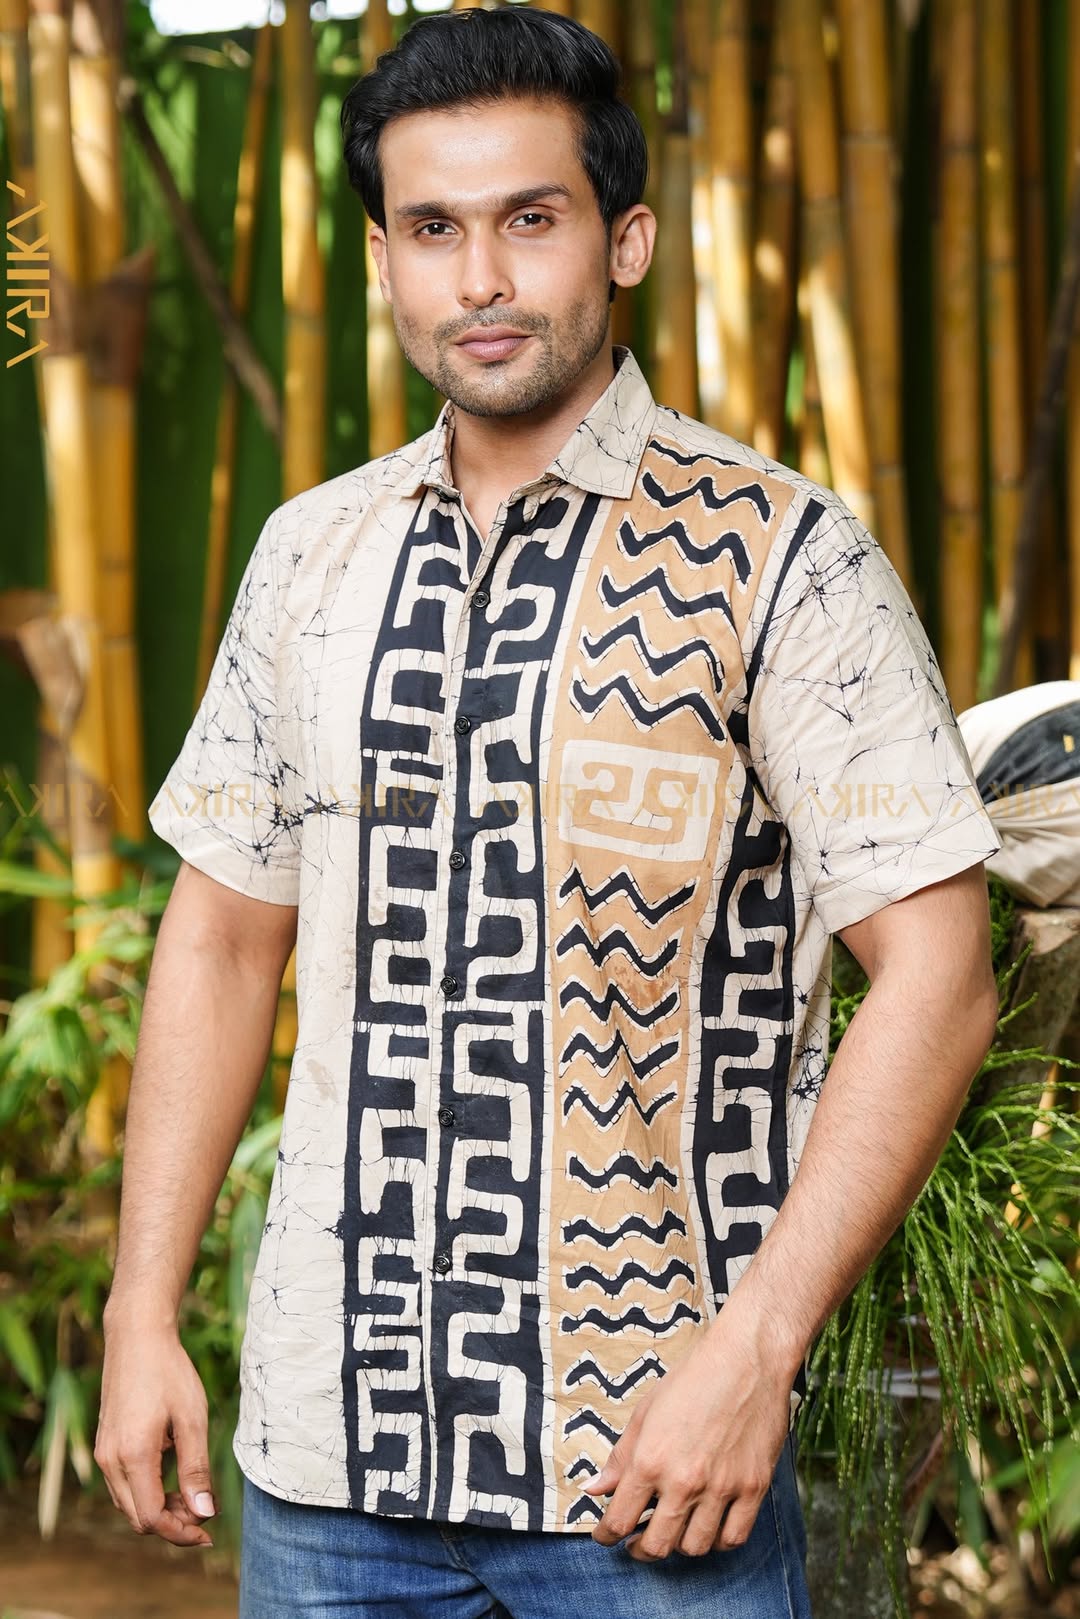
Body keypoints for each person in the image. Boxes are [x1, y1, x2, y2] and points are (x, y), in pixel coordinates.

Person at [94, 7, 1003, 1616]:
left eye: (530, 218)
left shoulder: (787, 560)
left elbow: (938, 974)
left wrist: (757, 1349)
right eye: (435, 230)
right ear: (384, 260)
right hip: (330, 1463)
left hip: (655, 1471)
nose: (482, 279)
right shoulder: (309, 558)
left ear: (624, 239)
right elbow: (223, 939)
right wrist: (140, 1309)